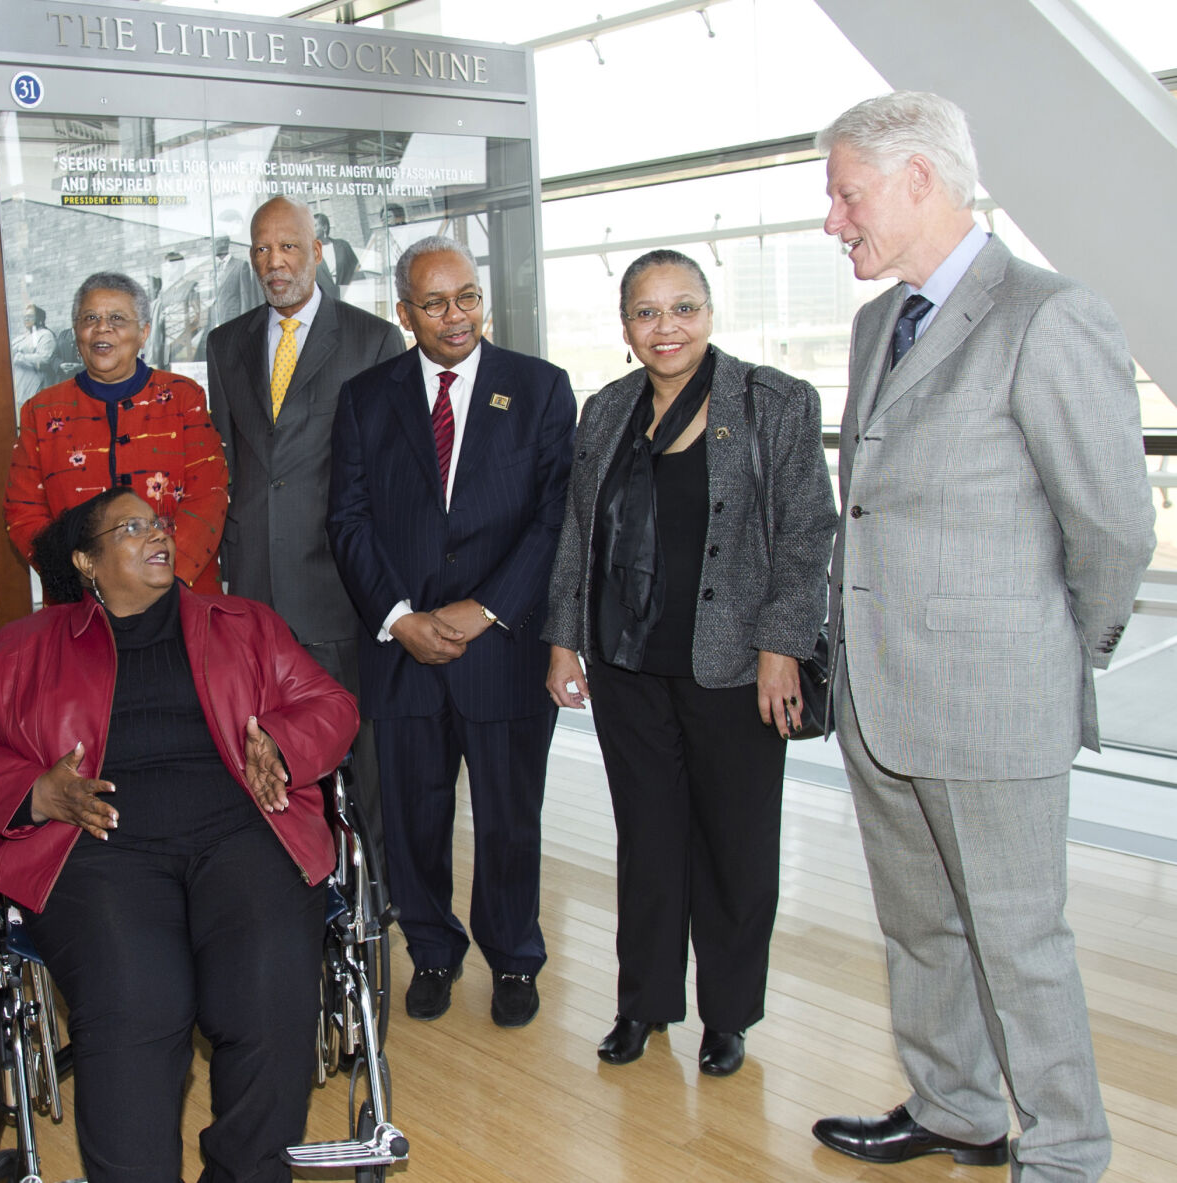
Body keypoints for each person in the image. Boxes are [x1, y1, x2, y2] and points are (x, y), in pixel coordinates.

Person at [810, 92, 1154, 1180]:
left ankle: (1065, 1153)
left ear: (918, 180)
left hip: (990, 701)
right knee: (919, 933)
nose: (831, 220)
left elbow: (1110, 525)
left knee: (1020, 948)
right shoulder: (879, 324)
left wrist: (1058, 654)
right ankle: (955, 1105)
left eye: (843, 193)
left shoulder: (1046, 317)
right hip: (880, 700)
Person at [0, 489, 357, 1183]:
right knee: (137, 1004)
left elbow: (329, 704)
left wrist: (279, 742)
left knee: (267, 994)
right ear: (85, 561)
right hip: (97, 849)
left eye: (158, 522)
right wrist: (35, 791)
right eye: (130, 528)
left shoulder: (242, 622)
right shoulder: (23, 647)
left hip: (241, 834)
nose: (157, 533)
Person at [541, 249, 837, 1076]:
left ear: (708, 313)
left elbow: (808, 531)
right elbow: (577, 535)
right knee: (648, 838)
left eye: (681, 308)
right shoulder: (604, 411)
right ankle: (643, 1004)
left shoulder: (773, 400)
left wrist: (784, 645)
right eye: (645, 311)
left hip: (738, 666)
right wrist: (564, 636)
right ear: (625, 325)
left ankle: (729, 1015)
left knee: (735, 846)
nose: (663, 327)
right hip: (629, 664)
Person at [327, 235, 575, 1029]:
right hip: (403, 651)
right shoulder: (366, 398)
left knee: (508, 817)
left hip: (500, 647)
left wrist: (487, 607)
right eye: (434, 303)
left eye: (466, 295)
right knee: (411, 818)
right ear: (404, 313)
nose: (454, 315)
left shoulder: (538, 388)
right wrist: (399, 619)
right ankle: (431, 947)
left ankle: (513, 956)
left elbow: (554, 518)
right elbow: (349, 521)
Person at [207, 194, 404, 856]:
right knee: (264, 742)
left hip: (336, 582)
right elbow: (229, 461)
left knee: (356, 745)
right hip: (254, 585)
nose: (274, 261)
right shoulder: (225, 343)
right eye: (261, 248)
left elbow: (388, 473)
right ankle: (290, 876)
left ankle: (372, 885)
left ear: (317, 251)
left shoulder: (371, 339)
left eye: (287, 246)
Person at [5, 271, 228, 593]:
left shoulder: (183, 397)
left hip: (177, 596)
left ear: (144, 332)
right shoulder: (40, 412)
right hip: (83, 602)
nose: (102, 328)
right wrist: (82, 576)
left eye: (118, 318)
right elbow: (23, 510)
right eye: (90, 317)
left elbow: (210, 495)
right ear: (76, 332)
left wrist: (163, 576)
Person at [11, 303, 57, 407]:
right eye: (25, 316)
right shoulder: (21, 338)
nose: (26, 319)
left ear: (39, 318)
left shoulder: (45, 335)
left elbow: (45, 358)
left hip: (34, 385)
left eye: (30, 316)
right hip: (19, 385)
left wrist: (20, 357)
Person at [314, 212, 360, 287]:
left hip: (347, 294)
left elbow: (357, 271)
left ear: (324, 227)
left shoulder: (343, 246)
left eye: (314, 226)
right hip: (325, 297)